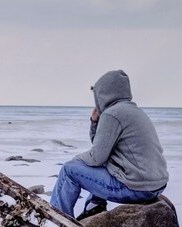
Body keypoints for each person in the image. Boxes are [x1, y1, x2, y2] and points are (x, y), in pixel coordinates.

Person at [50, 70, 169, 218]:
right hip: (156, 186)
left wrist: (76, 160)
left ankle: (59, 220)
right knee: (102, 163)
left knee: (69, 170)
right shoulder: (134, 111)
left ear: (103, 93)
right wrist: (94, 122)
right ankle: (94, 206)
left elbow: (96, 157)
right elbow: (102, 146)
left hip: (135, 188)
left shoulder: (112, 114)